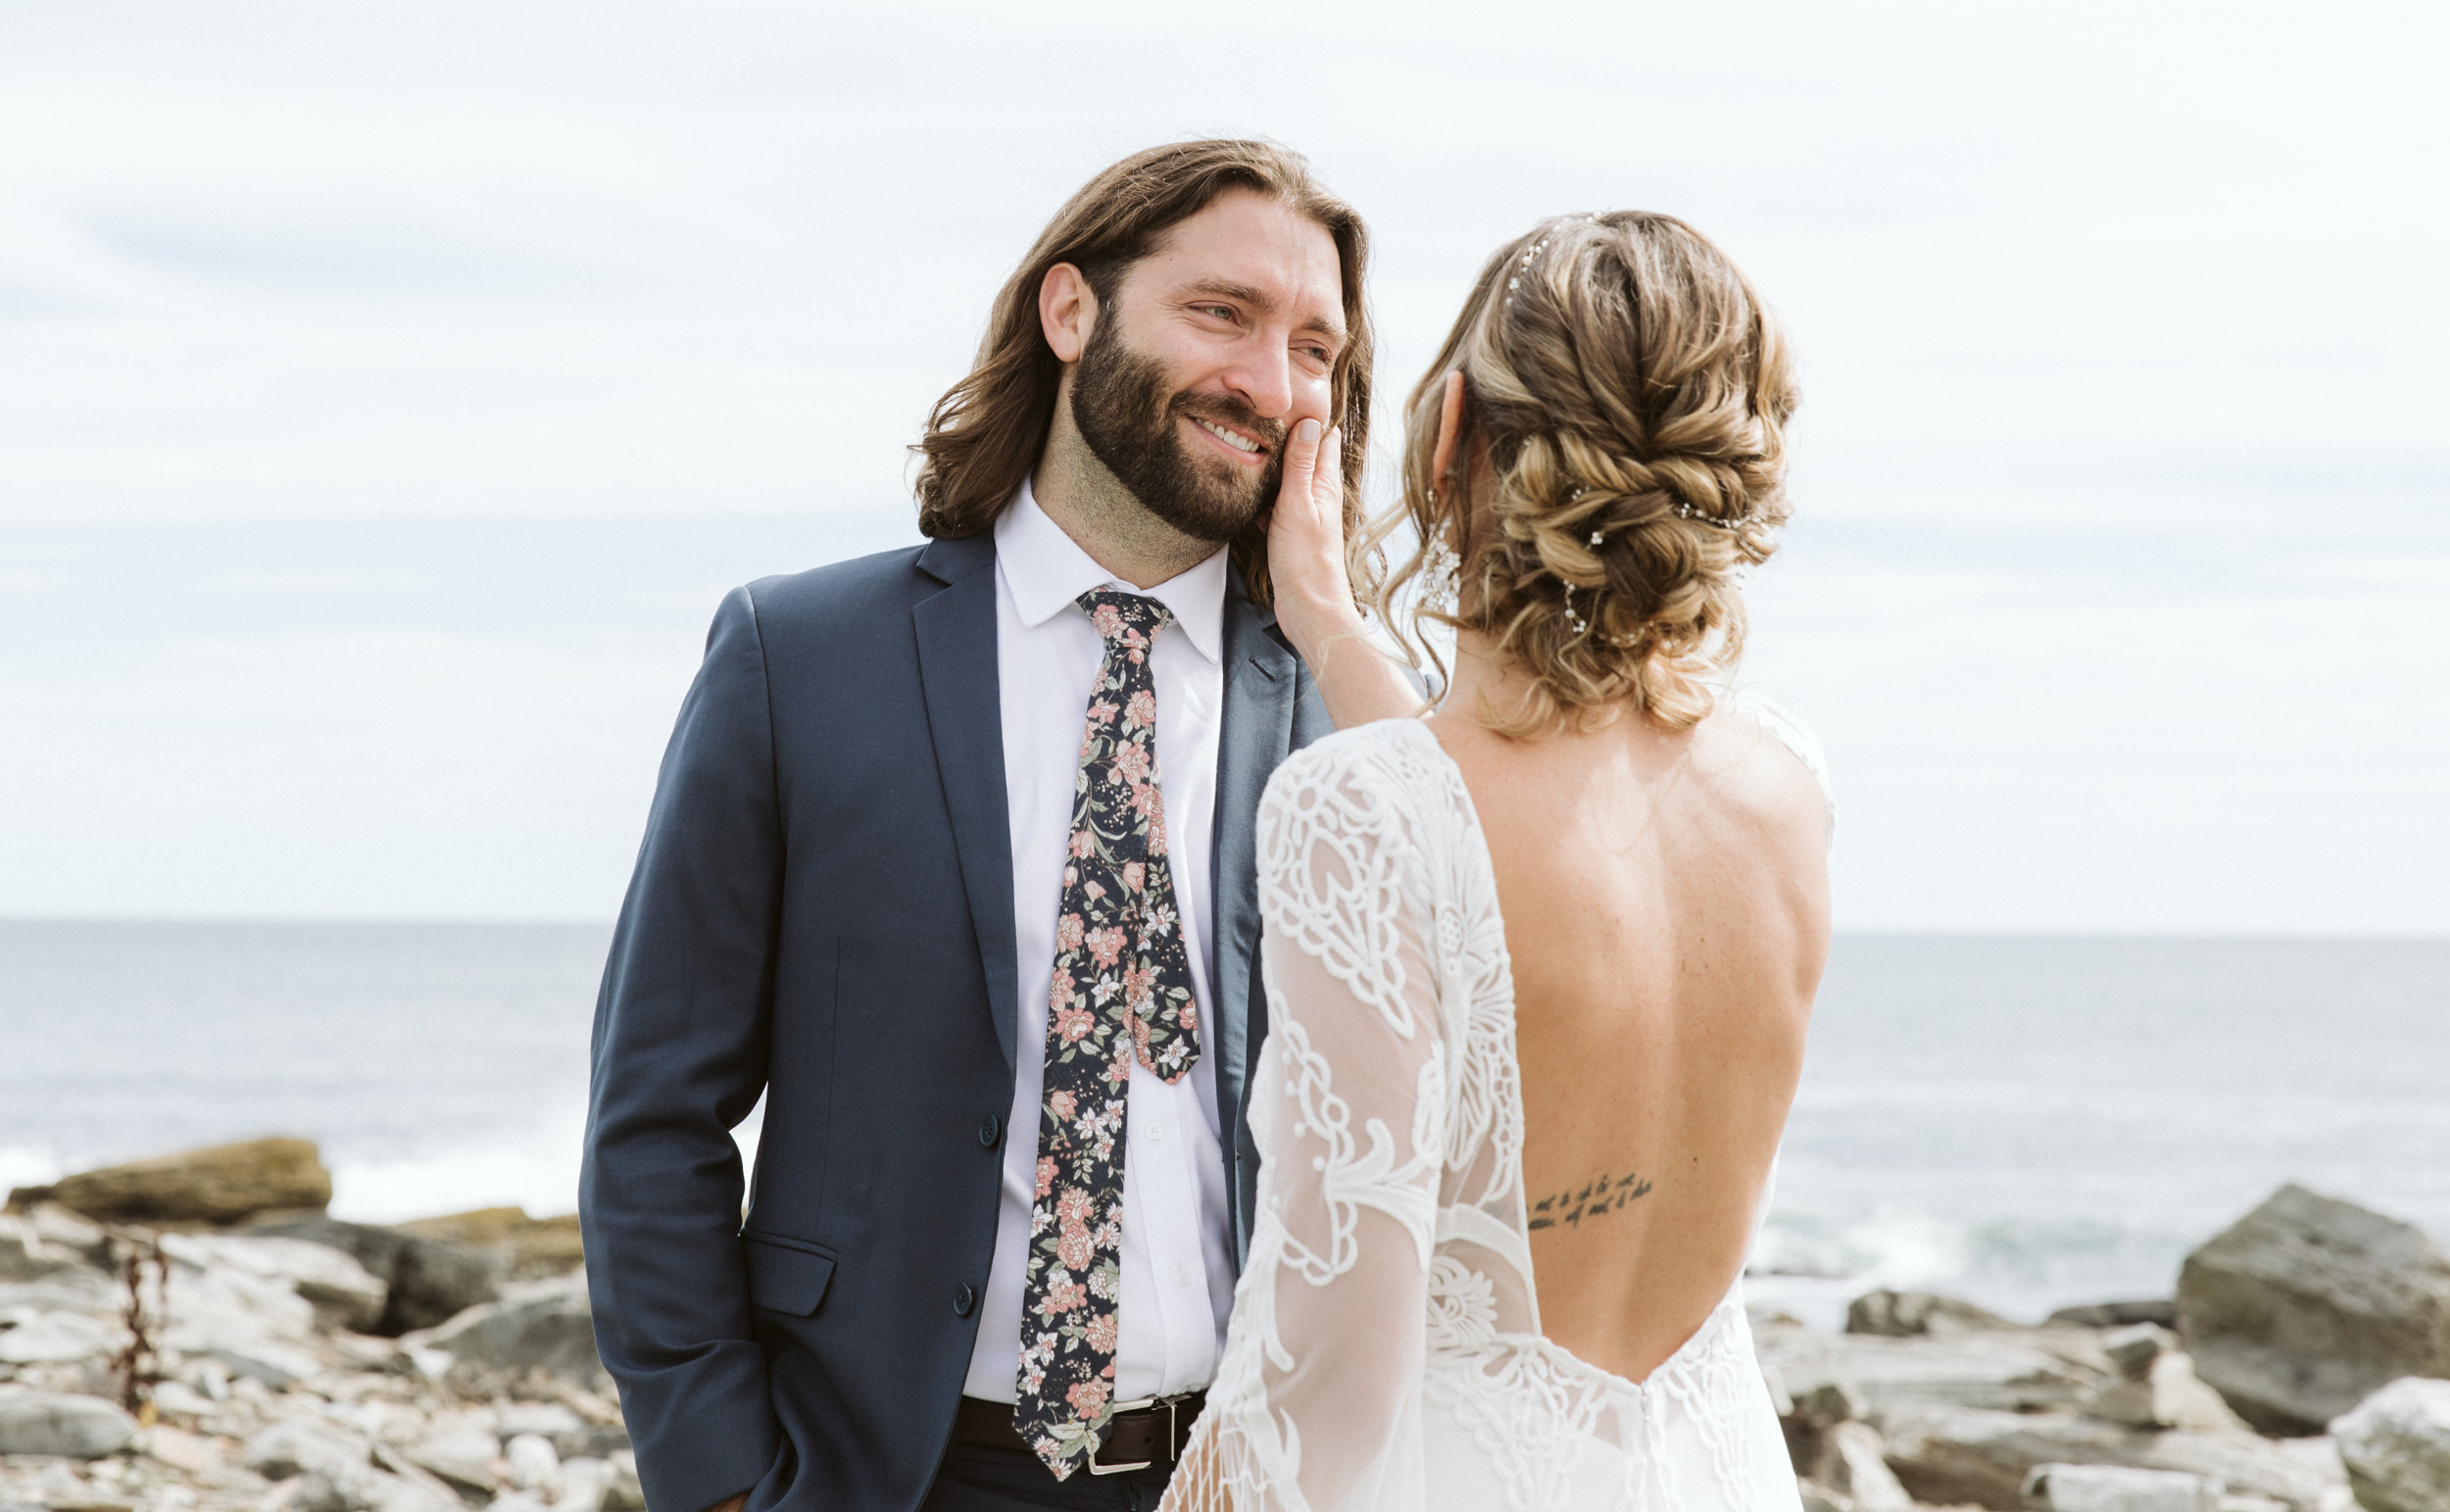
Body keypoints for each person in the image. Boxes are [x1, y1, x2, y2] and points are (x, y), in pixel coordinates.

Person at [578, 139, 1400, 1512]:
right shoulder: (800, 656)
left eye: (1317, 347)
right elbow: (654, 1113)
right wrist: (720, 1478)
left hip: (1246, 1475)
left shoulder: (1354, 715)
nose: (1272, 383)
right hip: (892, 1473)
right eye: (1223, 314)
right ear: (1071, 312)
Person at [1157, 212, 1834, 1511]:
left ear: (1451, 430)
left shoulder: (1358, 811)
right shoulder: (1785, 782)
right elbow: (1496, 846)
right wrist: (1330, 630)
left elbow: (1331, 1389)